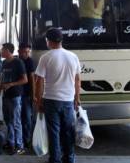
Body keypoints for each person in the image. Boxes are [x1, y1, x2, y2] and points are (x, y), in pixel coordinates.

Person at [34, 27, 81, 163]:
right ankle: (69, 158)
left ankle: (55, 160)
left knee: (54, 132)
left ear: (48, 41)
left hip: (51, 100)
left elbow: (39, 81)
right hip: (68, 100)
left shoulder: (46, 57)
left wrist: (38, 100)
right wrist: (77, 97)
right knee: (68, 131)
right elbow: (77, 80)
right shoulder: (73, 56)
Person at [0, 43, 28, 155]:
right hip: (6, 96)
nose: (0, 52)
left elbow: (25, 80)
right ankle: (11, 142)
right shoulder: (4, 63)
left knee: (16, 121)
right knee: (8, 121)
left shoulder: (18, 62)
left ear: (8, 50)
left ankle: (19, 146)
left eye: (2, 50)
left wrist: (11, 84)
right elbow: (1, 78)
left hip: (15, 96)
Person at [18, 43, 36, 149]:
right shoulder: (16, 61)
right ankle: (20, 139)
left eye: (28, 52)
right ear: (19, 52)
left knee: (27, 118)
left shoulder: (30, 61)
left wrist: (33, 95)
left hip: (26, 94)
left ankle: (27, 139)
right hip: (17, 94)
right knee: (18, 118)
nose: (26, 53)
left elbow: (32, 79)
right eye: (24, 52)